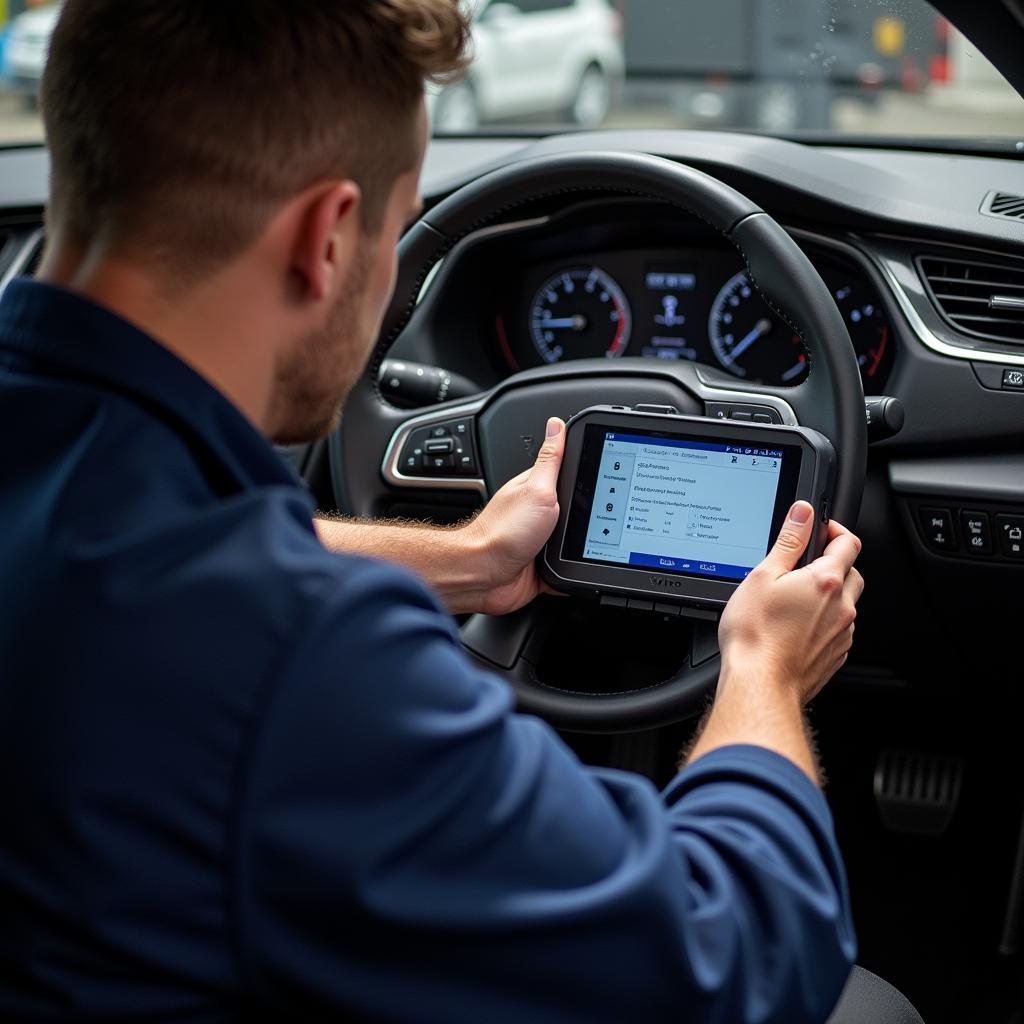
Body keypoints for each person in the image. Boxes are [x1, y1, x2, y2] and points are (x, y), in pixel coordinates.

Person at [0, 2, 909, 1022]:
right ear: (327, 236)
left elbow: (163, 536)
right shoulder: (297, 659)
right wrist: (762, 672)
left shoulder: (107, 506)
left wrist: (469, 558)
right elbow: (740, 953)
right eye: (397, 234)